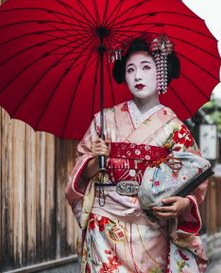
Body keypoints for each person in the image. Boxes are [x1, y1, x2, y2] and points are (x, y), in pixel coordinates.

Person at [65, 34, 208, 273]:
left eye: (146, 67)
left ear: (160, 71)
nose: (137, 76)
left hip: (152, 228)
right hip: (104, 225)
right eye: (130, 69)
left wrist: (184, 203)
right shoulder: (104, 120)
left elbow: (195, 179)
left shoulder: (175, 128)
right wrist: (95, 162)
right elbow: (80, 173)